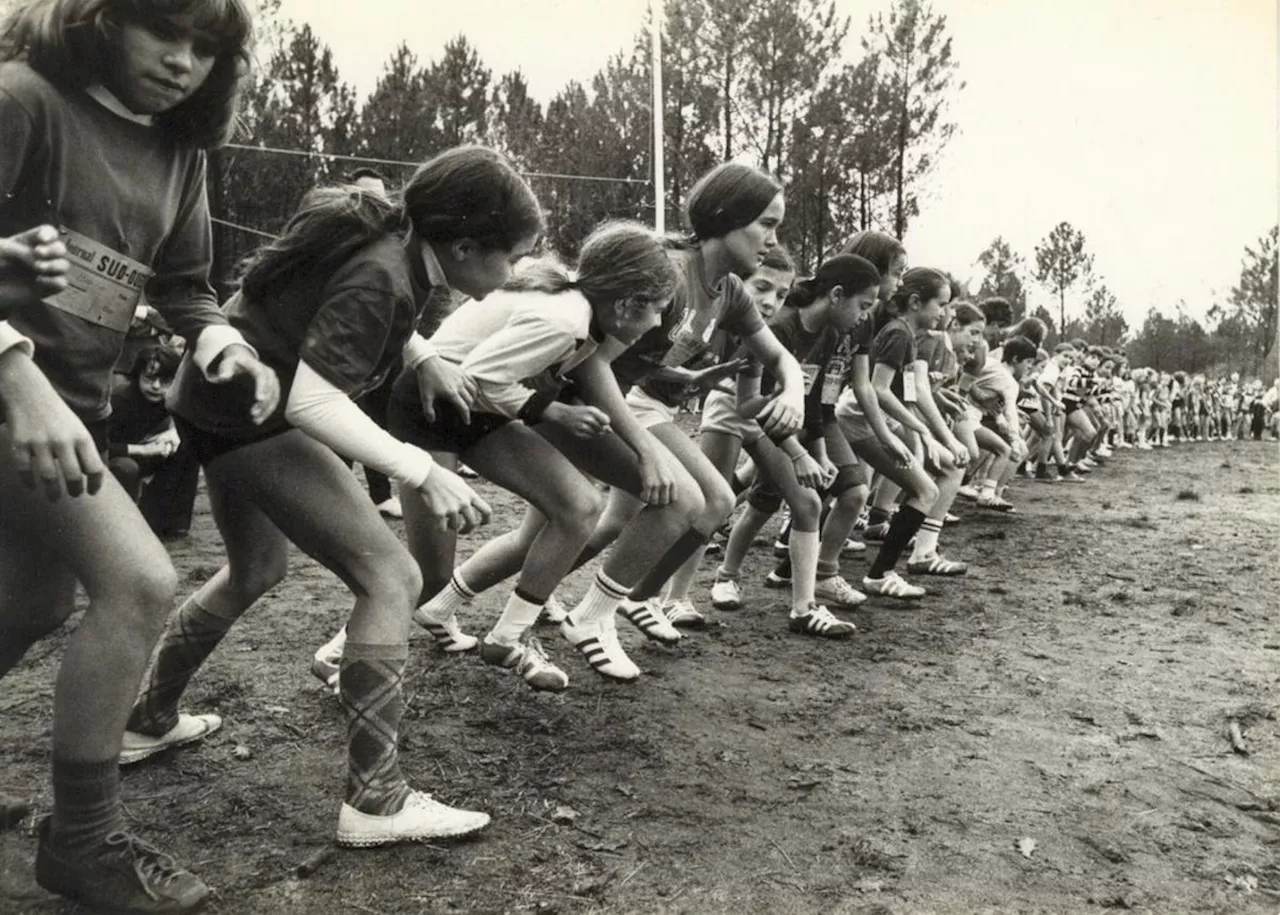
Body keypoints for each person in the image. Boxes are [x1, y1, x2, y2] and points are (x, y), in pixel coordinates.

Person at [120, 146, 538, 853]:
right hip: (251, 413)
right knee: (393, 575)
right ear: (464, 247)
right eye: (513, 257)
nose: (515, 273)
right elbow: (313, 398)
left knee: (256, 567)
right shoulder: (386, 276)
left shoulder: (391, 241)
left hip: (210, 397)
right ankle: (375, 799)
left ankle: (146, 718)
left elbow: (347, 312)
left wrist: (423, 354)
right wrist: (421, 468)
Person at [1, 1, 282, 910]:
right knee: (140, 581)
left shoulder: (179, 149)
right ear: (97, 20)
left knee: (34, 601)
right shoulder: (22, 100)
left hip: (69, 411)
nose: (182, 62)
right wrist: (18, 378)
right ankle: (82, 840)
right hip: (17, 396)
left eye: (207, 47)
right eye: (163, 31)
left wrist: (220, 346)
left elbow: (188, 287)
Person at [711, 254, 883, 634]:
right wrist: (800, 454)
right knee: (715, 504)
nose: (864, 317)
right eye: (864, 306)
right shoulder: (782, 327)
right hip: (739, 414)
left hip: (780, 424)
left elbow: (813, 399)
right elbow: (755, 404)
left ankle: (803, 608)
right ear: (837, 295)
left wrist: (819, 453)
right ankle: (721, 577)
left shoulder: (832, 335)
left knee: (793, 502)